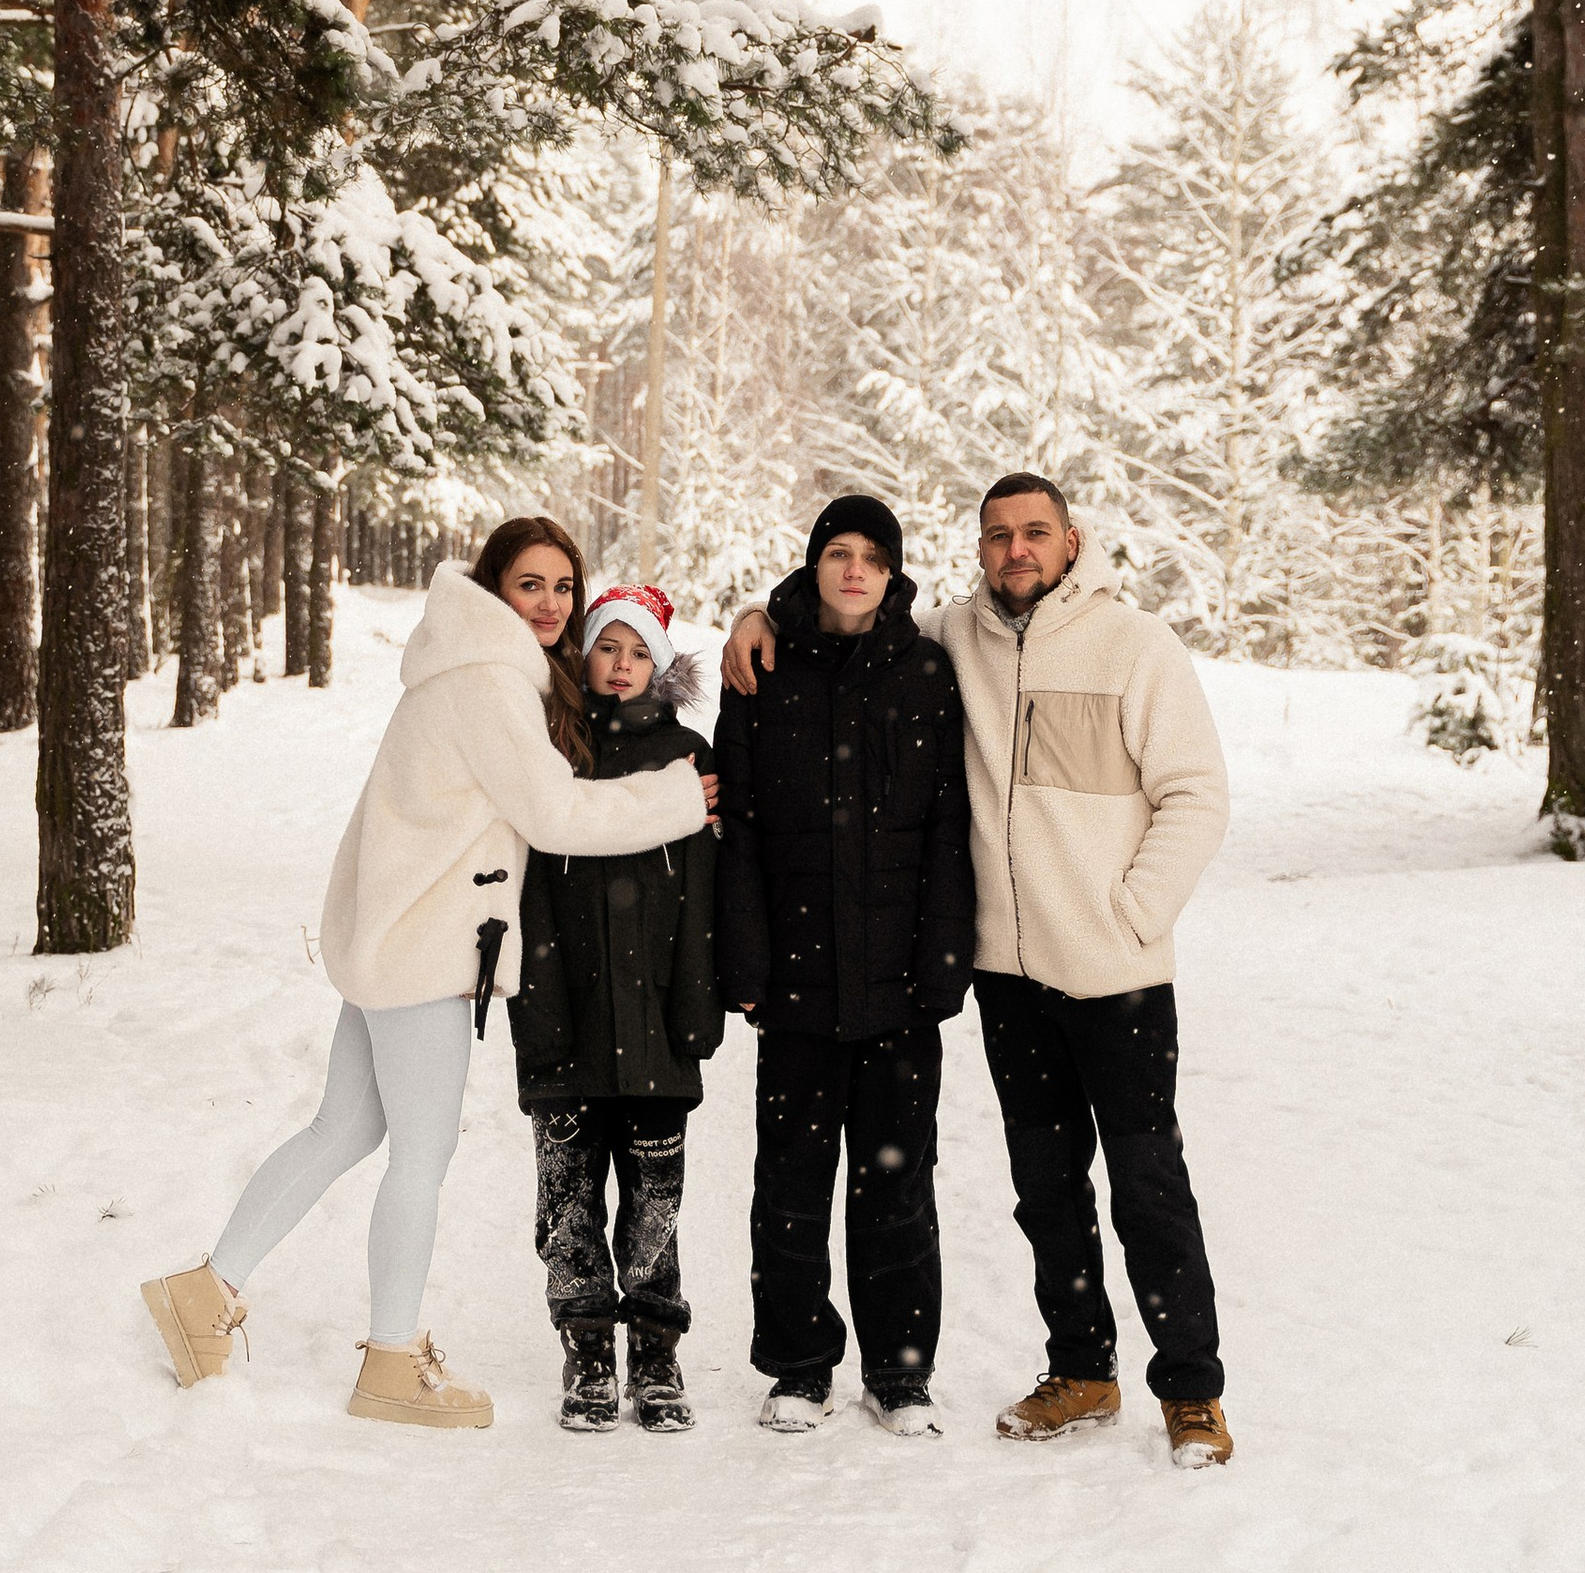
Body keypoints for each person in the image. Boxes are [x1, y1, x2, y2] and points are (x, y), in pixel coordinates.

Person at [141, 518, 713, 1430]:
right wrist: (680, 798)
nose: (552, 604)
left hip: (394, 934)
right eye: (532, 585)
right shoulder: (488, 681)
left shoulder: (464, 665)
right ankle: (392, 1360)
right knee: (421, 1155)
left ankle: (205, 1292)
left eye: (564, 587)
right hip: (424, 948)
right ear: (495, 588)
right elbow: (556, 814)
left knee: (343, 1129)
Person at [721, 474, 1235, 1469]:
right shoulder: (954, 640)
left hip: (1116, 971)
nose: (1016, 550)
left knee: (1147, 1183)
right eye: (998, 535)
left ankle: (1192, 1390)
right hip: (1006, 975)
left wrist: (1127, 914)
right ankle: (1081, 1369)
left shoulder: (1134, 645)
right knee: (1046, 1191)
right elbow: (842, 609)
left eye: (1034, 533)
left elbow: (1196, 798)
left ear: (1071, 541)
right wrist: (756, 616)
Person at [713, 494, 972, 1437]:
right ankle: (798, 1364)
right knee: (790, 1181)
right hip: (794, 983)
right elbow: (734, 829)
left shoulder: (927, 673)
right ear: (814, 563)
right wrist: (743, 961)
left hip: (901, 983)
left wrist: (944, 965)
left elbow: (951, 827)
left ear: (895, 571)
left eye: (873, 555)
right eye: (839, 553)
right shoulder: (763, 672)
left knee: (897, 1180)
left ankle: (899, 1373)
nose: (855, 570)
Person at [510, 578, 718, 1436]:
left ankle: (657, 1345)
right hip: (564, 1017)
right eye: (608, 647)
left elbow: (702, 898)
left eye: (640, 652)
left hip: (660, 1027)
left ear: (660, 668)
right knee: (567, 1199)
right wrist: (537, 1008)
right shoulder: (551, 752)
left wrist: (696, 1006)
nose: (622, 665)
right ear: (584, 658)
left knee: (655, 1198)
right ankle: (588, 1340)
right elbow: (530, 900)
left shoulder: (688, 759)